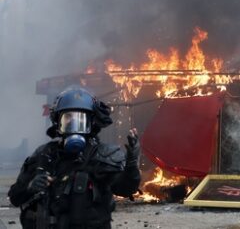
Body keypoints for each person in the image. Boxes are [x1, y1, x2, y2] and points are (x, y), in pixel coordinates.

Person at [8, 86, 141, 229]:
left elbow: (125, 189)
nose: (74, 125)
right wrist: (30, 187)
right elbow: (15, 198)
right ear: (58, 123)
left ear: (91, 123)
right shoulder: (44, 155)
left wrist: (132, 163)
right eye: (68, 119)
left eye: (80, 120)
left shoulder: (103, 155)